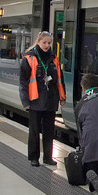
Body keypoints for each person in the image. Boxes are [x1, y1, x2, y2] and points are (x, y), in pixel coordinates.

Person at [18, 31, 65, 167]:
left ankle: (48, 157)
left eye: (49, 43)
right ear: (38, 42)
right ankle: (34, 157)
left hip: (51, 100)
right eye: (44, 42)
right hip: (35, 100)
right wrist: (25, 101)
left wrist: (62, 97)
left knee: (49, 130)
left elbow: (59, 80)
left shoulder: (54, 59)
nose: (47, 45)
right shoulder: (29, 58)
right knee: (34, 130)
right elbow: (23, 82)